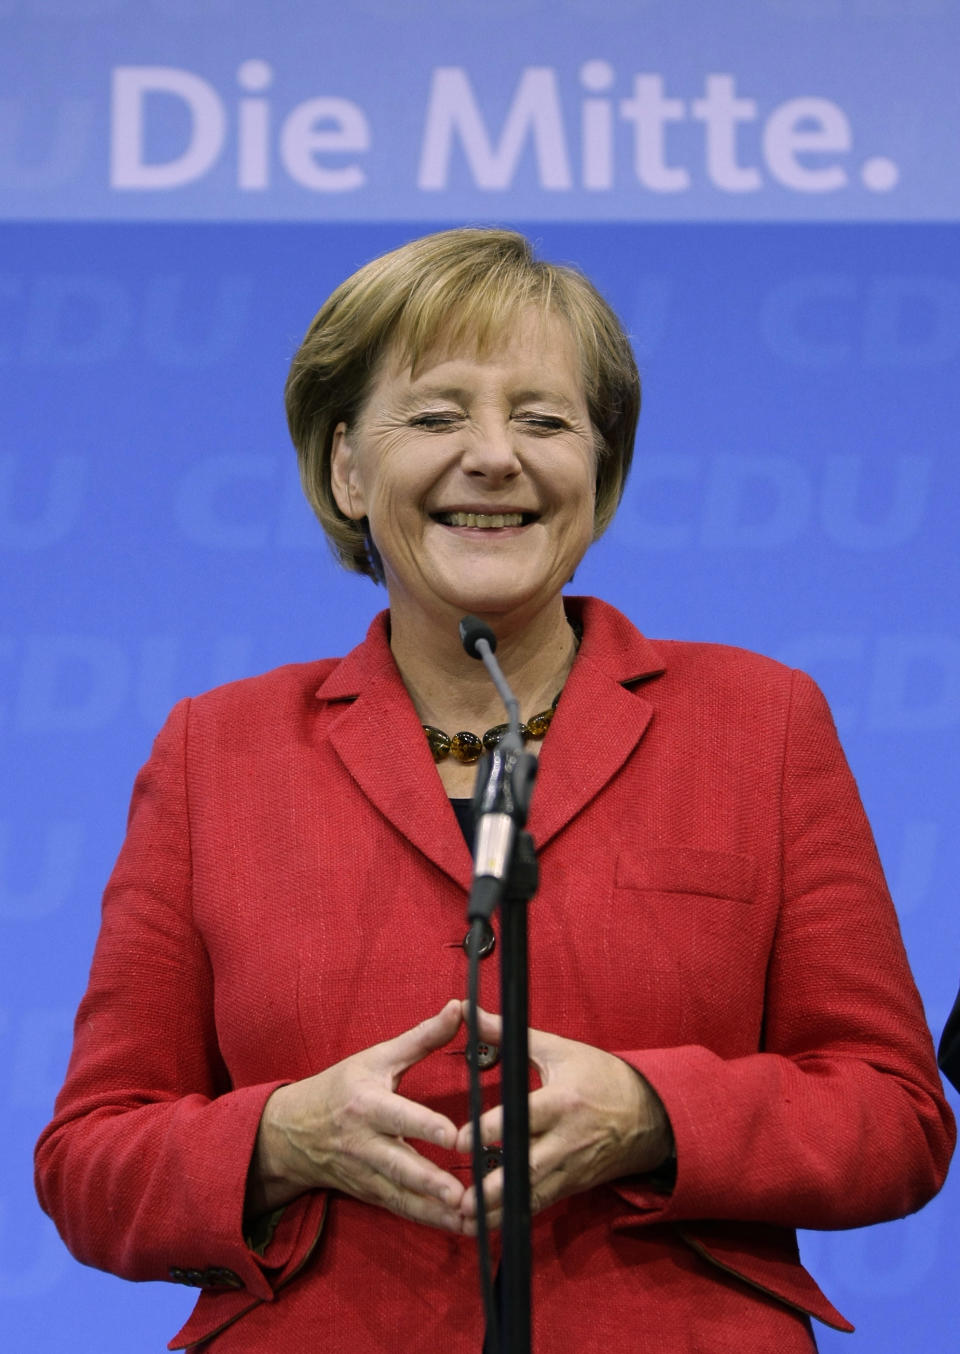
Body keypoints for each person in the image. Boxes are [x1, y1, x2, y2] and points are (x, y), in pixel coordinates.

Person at [35, 228, 954, 1353]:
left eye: (543, 418)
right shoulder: (213, 752)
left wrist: (658, 1115)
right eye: (434, 416)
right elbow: (88, 1160)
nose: (493, 457)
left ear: (600, 469)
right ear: (346, 468)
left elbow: (897, 1117)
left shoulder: (759, 724)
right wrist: (279, 1134)